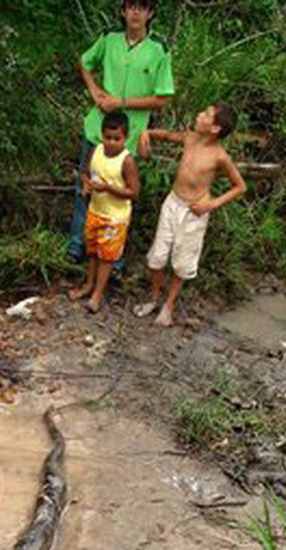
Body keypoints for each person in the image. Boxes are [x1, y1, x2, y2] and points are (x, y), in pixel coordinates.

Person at [68, 0, 174, 265]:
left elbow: (162, 98)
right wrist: (95, 92)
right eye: (131, 6)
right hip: (97, 131)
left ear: (150, 14)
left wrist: (122, 103)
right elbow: (84, 62)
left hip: (131, 135)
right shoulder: (109, 39)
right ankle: (76, 248)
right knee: (86, 188)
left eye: (142, 8)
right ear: (123, 11)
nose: (136, 13)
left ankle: (112, 260)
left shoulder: (158, 49)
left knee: (122, 194)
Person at [134, 103, 247, 326]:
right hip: (172, 204)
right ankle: (154, 298)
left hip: (194, 212)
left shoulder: (220, 157)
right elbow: (167, 135)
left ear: (215, 128)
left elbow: (240, 187)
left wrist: (211, 204)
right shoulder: (190, 138)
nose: (199, 114)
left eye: (205, 114)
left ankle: (168, 307)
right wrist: (146, 133)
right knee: (157, 256)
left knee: (182, 261)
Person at [69, 110, 139, 312]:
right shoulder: (96, 151)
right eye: (108, 137)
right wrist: (86, 185)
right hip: (95, 210)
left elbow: (134, 193)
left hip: (115, 218)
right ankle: (88, 285)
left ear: (126, 138)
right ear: (101, 135)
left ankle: (97, 294)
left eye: (117, 138)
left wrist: (108, 188)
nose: (111, 142)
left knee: (107, 257)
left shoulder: (127, 161)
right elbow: (84, 173)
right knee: (91, 251)